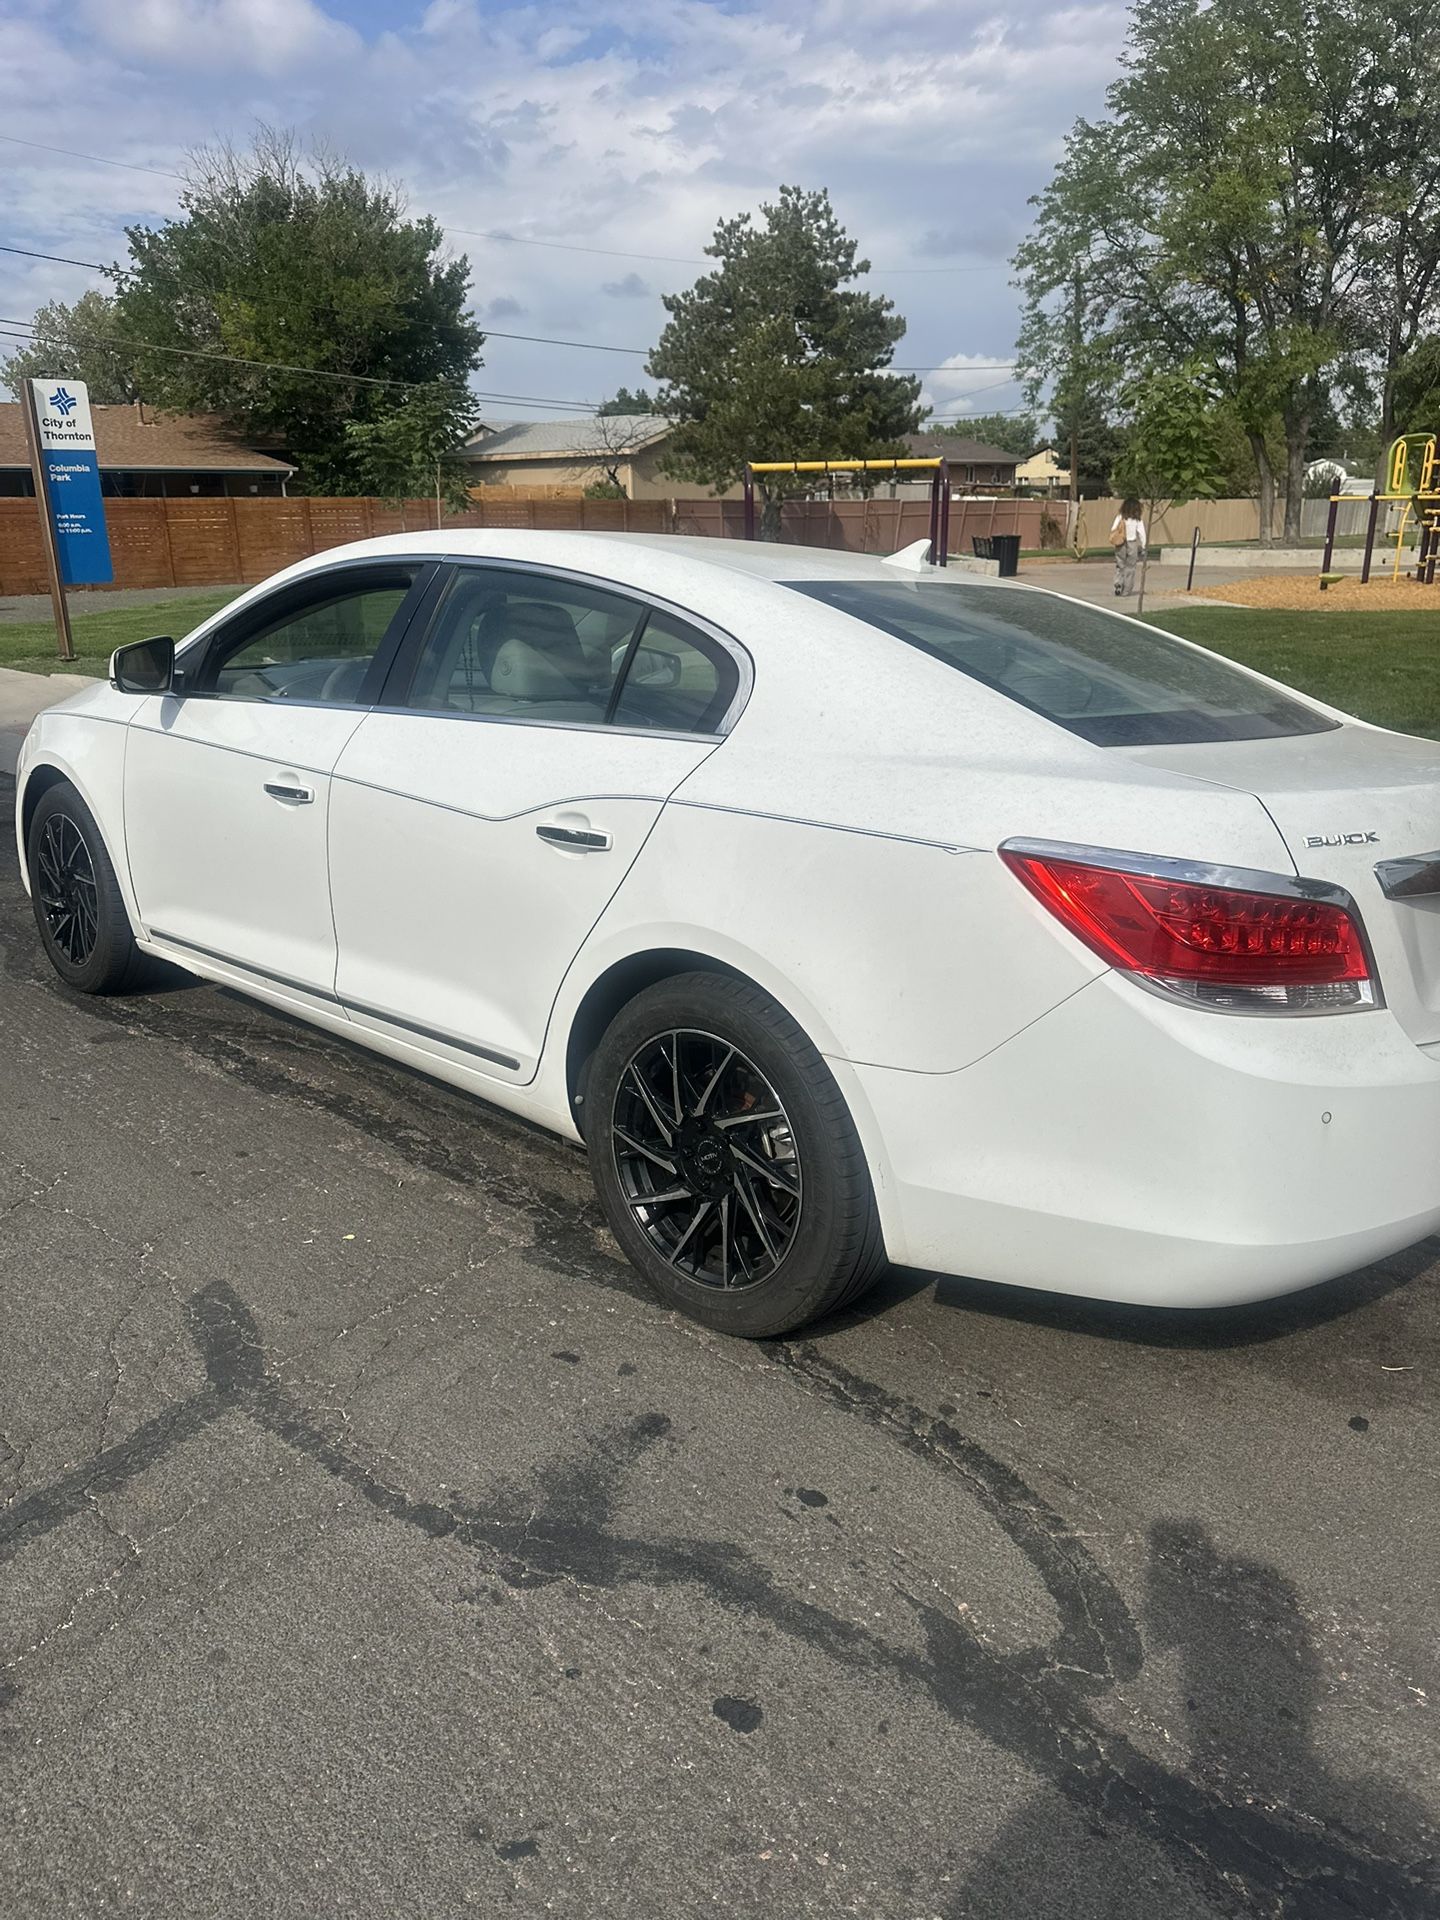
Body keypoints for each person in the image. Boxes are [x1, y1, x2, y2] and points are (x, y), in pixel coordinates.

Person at [1111, 496, 1146, 596]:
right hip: (1132, 543)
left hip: (1120, 543)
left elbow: (1113, 529)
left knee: (1120, 565)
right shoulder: (1137, 520)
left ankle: (1118, 583)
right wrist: (1143, 546)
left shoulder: (1120, 517)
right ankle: (1126, 590)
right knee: (1130, 567)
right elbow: (1142, 533)